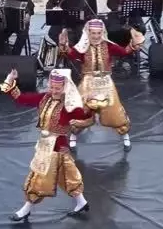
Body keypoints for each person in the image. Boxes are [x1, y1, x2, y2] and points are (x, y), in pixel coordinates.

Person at [0, 68, 90, 221]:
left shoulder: (69, 104)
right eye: (52, 87)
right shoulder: (44, 98)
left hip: (56, 147)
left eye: (58, 88)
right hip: (46, 144)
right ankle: (81, 202)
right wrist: (10, 80)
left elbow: (84, 114)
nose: (54, 91)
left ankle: (26, 208)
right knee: (68, 175)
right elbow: (21, 98)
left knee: (38, 177)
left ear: (64, 88)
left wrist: (91, 103)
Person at [59, 19, 144, 151]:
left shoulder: (108, 46)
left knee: (115, 112)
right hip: (88, 82)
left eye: (99, 33)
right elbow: (70, 54)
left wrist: (133, 44)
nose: (96, 36)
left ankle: (126, 138)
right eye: (93, 33)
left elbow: (124, 51)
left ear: (102, 33)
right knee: (80, 111)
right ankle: (73, 139)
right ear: (88, 33)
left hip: (106, 82)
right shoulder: (83, 46)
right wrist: (64, 46)